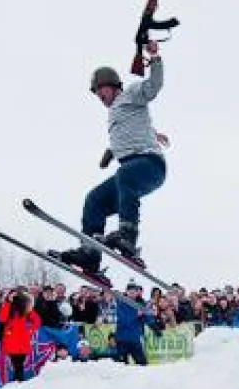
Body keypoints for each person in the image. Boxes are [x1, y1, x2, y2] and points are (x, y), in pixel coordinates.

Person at [52, 40, 170, 284]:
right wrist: (109, 153)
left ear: (112, 85)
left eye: (100, 91)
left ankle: (128, 234)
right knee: (94, 199)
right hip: (130, 170)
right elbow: (129, 133)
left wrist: (155, 58)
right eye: (95, 94)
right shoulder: (116, 113)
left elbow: (154, 86)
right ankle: (90, 253)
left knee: (125, 174)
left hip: (150, 166)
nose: (99, 97)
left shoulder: (131, 94)